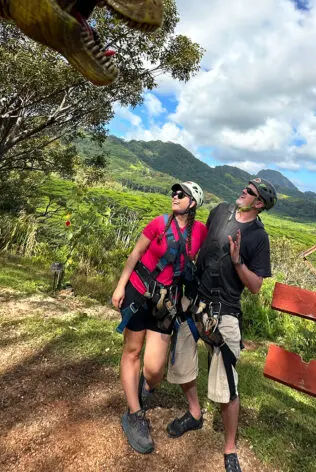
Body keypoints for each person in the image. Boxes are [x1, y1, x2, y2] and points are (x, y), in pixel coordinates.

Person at [166, 177, 277, 472]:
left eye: (250, 192)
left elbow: (255, 286)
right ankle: (194, 412)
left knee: (227, 386)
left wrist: (238, 262)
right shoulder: (220, 211)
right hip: (195, 300)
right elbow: (199, 245)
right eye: (245, 187)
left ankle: (230, 448)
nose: (243, 191)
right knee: (181, 364)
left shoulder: (258, 237)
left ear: (260, 203)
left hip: (225, 310)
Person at [111, 181, 207, 455]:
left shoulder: (199, 232)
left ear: (193, 203)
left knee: (154, 369)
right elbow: (136, 254)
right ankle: (134, 414)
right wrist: (120, 286)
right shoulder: (159, 224)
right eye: (174, 193)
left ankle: (143, 386)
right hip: (139, 293)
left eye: (181, 195)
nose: (174, 197)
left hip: (167, 303)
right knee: (132, 350)